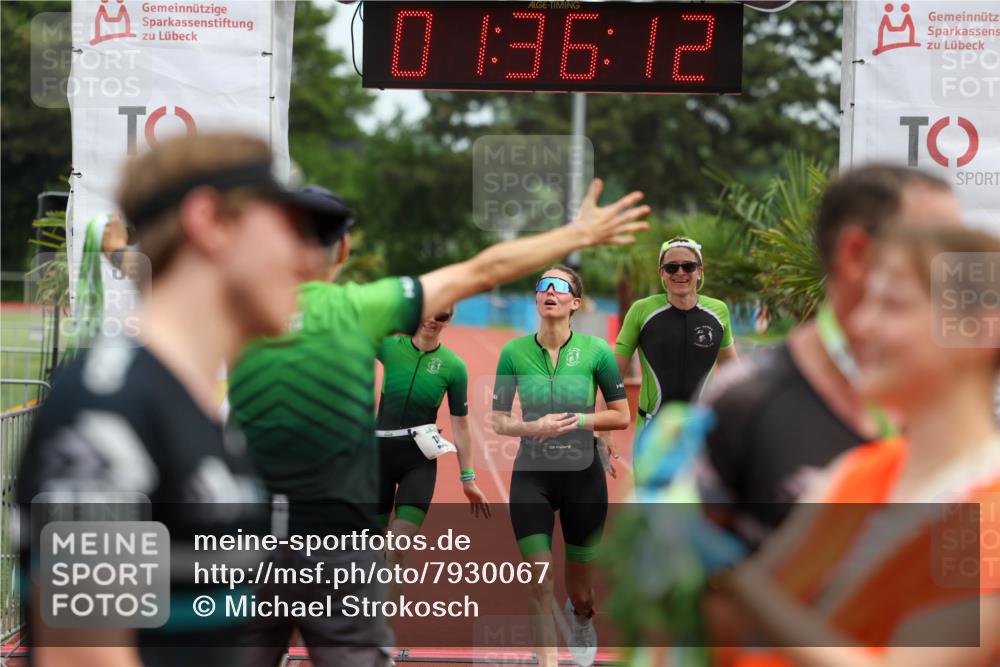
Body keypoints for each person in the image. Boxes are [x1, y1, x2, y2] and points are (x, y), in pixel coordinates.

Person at [227, 179, 650, 667]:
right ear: (343, 247)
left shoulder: (236, 305)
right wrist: (575, 233)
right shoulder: (357, 309)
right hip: (333, 536)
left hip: (248, 531)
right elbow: (483, 268)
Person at [16, 132, 352, 667]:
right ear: (211, 222)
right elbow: (80, 658)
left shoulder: (196, 408)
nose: (309, 258)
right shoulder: (106, 407)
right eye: (292, 229)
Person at [706, 225, 1000, 666]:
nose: (862, 325)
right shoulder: (856, 471)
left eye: (893, 305)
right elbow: (732, 624)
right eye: (867, 304)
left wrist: (738, 580)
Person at [700, 165, 962, 548]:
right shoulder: (741, 401)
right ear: (857, 254)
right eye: (939, 246)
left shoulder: (952, 401)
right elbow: (672, 588)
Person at [490, 266, 631, 667]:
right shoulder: (513, 352)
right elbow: (498, 420)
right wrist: (532, 426)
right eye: (542, 286)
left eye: (560, 286)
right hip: (531, 476)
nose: (549, 291)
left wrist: (578, 420)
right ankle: (547, 662)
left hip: (582, 479)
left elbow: (620, 415)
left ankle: (582, 617)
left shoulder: (596, 351)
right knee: (539, 580)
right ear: (537, 299)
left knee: (581, 590)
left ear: (575, 302)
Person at [375, 303, 490, 584]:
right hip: (376, 459)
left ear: (448, 321)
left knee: (398, 550)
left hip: (419, 462)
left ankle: (383, 622)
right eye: (427, 310)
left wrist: (468, 478)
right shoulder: (389, 347)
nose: (432, 320)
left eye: (441, 315)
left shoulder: (453, 367)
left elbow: (461, 425)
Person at [614, 236, 738, 439]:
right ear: (661, 272)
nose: (680, 273)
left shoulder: (718, 311)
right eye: (672, 267)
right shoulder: (642, 310)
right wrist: (605, 431)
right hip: (653, 429)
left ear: (700, 271)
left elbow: (733, 373)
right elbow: (614, 375)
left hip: (702, 429)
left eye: (688, 266)